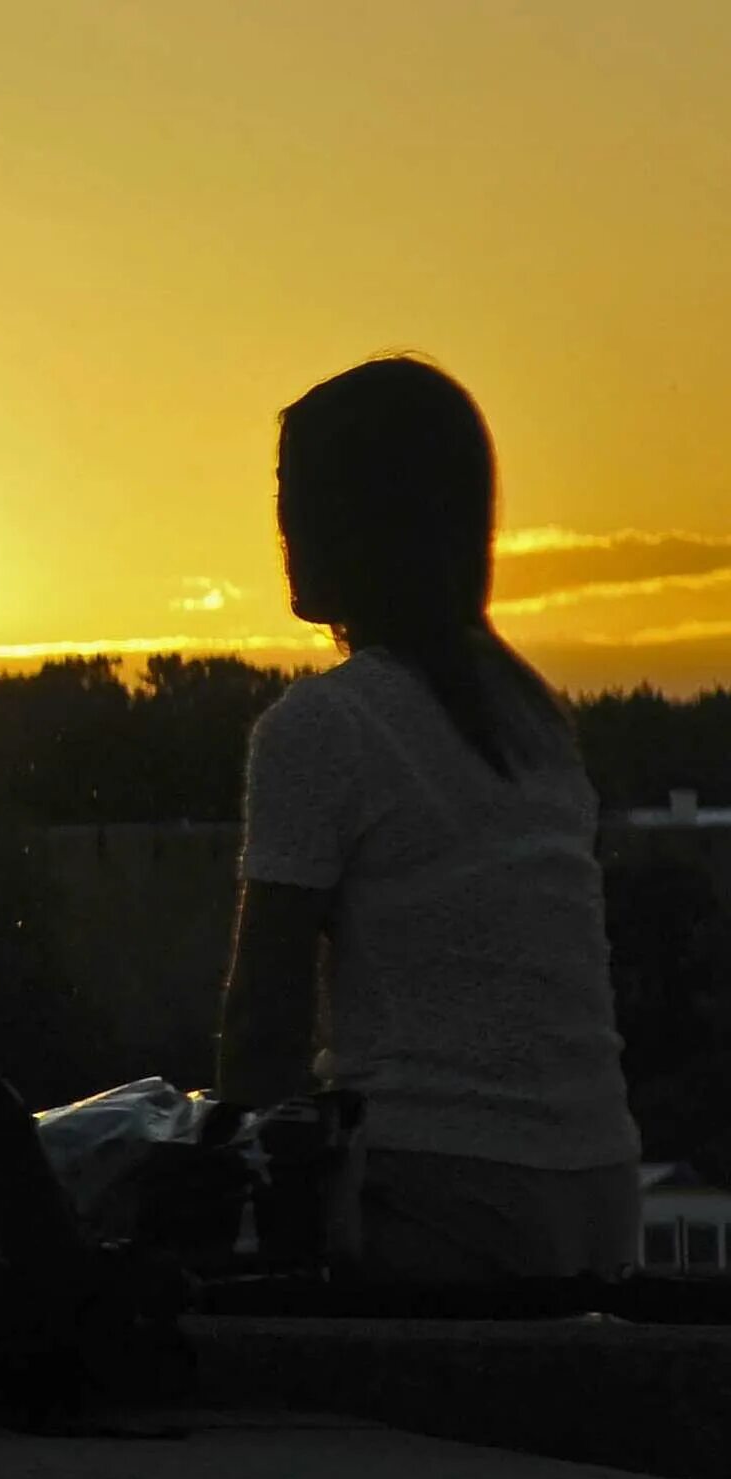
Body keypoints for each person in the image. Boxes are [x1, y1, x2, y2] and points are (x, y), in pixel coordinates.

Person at [219, 356, 641, 1284]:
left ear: (354, 518)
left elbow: (262, 1031)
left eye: (295, 493)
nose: (281, 526)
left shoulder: (323, 726)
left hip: (441, 1199)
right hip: (600, 1201)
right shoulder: (536, 725)